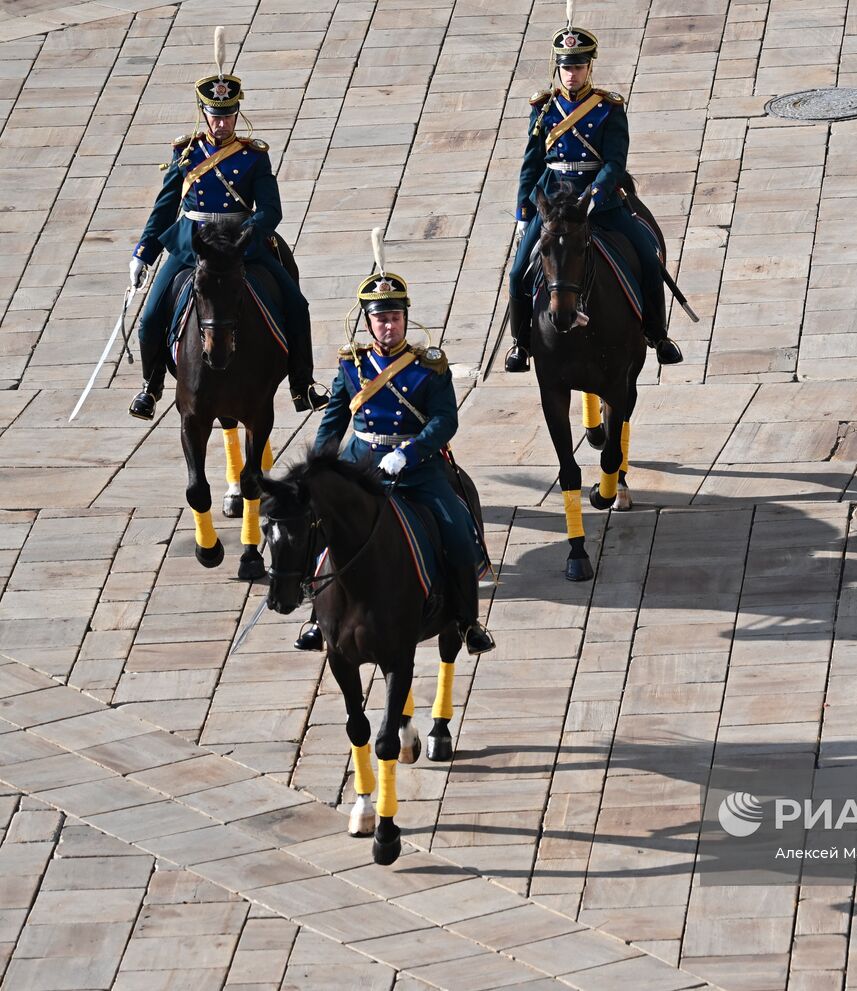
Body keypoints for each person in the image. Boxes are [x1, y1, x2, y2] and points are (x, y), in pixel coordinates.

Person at [300, 258, 495, 656]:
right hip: (360, 464)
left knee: (458, 532)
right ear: (368, 323)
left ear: (406, 319)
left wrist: (408, 452)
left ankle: (468, 620)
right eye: (380, 319)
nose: (388, 326)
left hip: (418, 469)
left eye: (394, 317)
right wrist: (319, 467)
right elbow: (335, 420)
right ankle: (315, 616)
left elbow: (444, 421)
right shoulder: (351, 366)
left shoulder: (429, 367)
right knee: (312, 525)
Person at [127, 28, 324, 420]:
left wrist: (250, 232)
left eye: (228, 116)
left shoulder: (254, 156)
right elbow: (165, 208)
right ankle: (151, 386)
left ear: (237, 113)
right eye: (215, 117)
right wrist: (143, 254)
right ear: (205, 114)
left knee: (297, 305)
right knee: (150, 317)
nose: (222, 124)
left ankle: (303, 384)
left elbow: (271, 208)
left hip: (240, 242)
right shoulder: (185, 154)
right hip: (192, 243)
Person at [504, 13, 682, 372]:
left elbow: (615, 162)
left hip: (598, 201)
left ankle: (658, 334)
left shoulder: (608, 107)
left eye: (579, 67)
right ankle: (521, 344)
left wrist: (595, 197)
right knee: (518, 270)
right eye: (567, 68)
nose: (573, 74)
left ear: (590, 67)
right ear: (558, 69)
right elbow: (532, 162)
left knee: (648, 258)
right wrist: (525, 212)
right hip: (553, 200)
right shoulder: (543, 108)